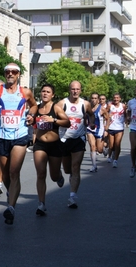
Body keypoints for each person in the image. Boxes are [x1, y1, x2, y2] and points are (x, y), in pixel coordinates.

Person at [0, 63, 37, 225]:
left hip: (19, 136)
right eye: (8, 72)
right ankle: (10, 192)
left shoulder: (25, 92)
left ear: (18, 74)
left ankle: (11, 208)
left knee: (14, 172)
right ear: (5, 74)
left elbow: (33, 105)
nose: (10, 74)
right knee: (5, 174)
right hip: (0, 136)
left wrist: (31, 115)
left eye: (14, 72)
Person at [57, 80, 95, 209]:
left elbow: (91, 115)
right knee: (68, 169)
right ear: (69, 90)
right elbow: (53, 114)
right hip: (64, 139)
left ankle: (72, 196)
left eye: (77, 89)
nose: (75, 91)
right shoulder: (62, 103)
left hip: (79, 138)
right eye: (73, 89)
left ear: (80, 90)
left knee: (75, 167)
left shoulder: (85, 104)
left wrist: (91, 123)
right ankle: (63, 175)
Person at [33, 84, 70, 216]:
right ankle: (41, 204)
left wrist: (53, 120)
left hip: (55, 144)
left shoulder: (56, 108)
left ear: (52, 95)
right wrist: (29, 119)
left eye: (48, 92)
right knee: (41, 173)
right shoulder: (35, 108)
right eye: (43, 91)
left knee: (53, 176)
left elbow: (67, 122)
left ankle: (58, 176)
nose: (45, 94)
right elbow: (30, 119)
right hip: (40, 144)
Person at [86, 93, 108, 172]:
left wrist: (106, 130)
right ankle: (94, 166)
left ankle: (105, 148)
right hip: (90, 129)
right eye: (92, 98)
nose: (94, 100)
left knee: (99, 150)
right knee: (92, 147)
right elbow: (85, 118)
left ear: (98, 100)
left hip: (99, 129)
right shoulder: (87, 108)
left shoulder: (102, 108)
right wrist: (87, 123)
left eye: (95, 98)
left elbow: (108, 118)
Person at [106, 93, 126, 168]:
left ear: (120, 99)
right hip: (111, 127)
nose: (116, 99)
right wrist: (108, 116)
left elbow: (126, 114)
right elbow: (105, 113)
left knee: (117, 144)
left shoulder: (123, 106)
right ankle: (110, 155)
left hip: (120, 128)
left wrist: (127, 119)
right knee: (111, 145)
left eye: (117, 98)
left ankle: (115, 160)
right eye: (114, 98)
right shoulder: (110, 105)